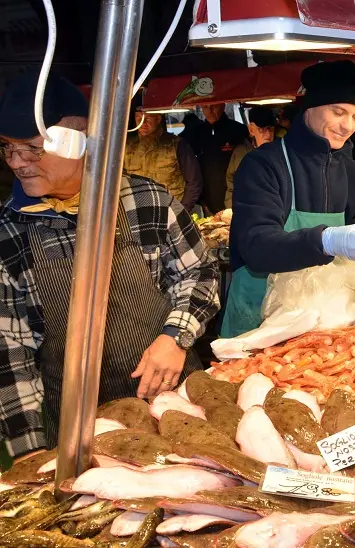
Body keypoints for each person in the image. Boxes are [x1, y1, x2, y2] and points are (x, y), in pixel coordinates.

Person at [0, 72, 220, 456]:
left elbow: (198, 272)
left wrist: (176, 336)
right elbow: (10, 351)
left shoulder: (147, 200)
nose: (17, 163)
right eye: (7, 148)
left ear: (79, 140)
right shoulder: (9, 232)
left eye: (32, 148)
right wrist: (31, 451)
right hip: (76, 427)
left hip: (174, 405)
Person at [224, 60, 355, 338]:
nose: (347, 126)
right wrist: (327, 241)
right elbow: (256, 247)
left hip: (329, 323)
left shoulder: (354, 173)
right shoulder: (263, 165)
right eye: (338, 112)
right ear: (310, 107)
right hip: (260, 320)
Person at [124, 109, 203, 211]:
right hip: (138, 212)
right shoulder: (126, 146)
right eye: (138, 118)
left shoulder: (176, 144)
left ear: (158, 119)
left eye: (147, 118)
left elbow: (194, 182)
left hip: (171, 211)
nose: (142, 123)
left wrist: (182, 212)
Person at [193, 102, 249, 214]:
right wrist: (201, 201)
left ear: (223, 105)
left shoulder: (239, 130)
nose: (210, 110)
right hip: (207, 199)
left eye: (214, 106)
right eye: (206, 107)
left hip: (237, 196)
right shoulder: (194, 134)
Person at [225, 106, 277, 209]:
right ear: (251, 129)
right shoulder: (240, 153)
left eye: (270, 129)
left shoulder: (282, 151)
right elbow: (231, 183)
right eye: (262, 129)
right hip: (246, 212)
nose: (267, 135)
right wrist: (230, 208)